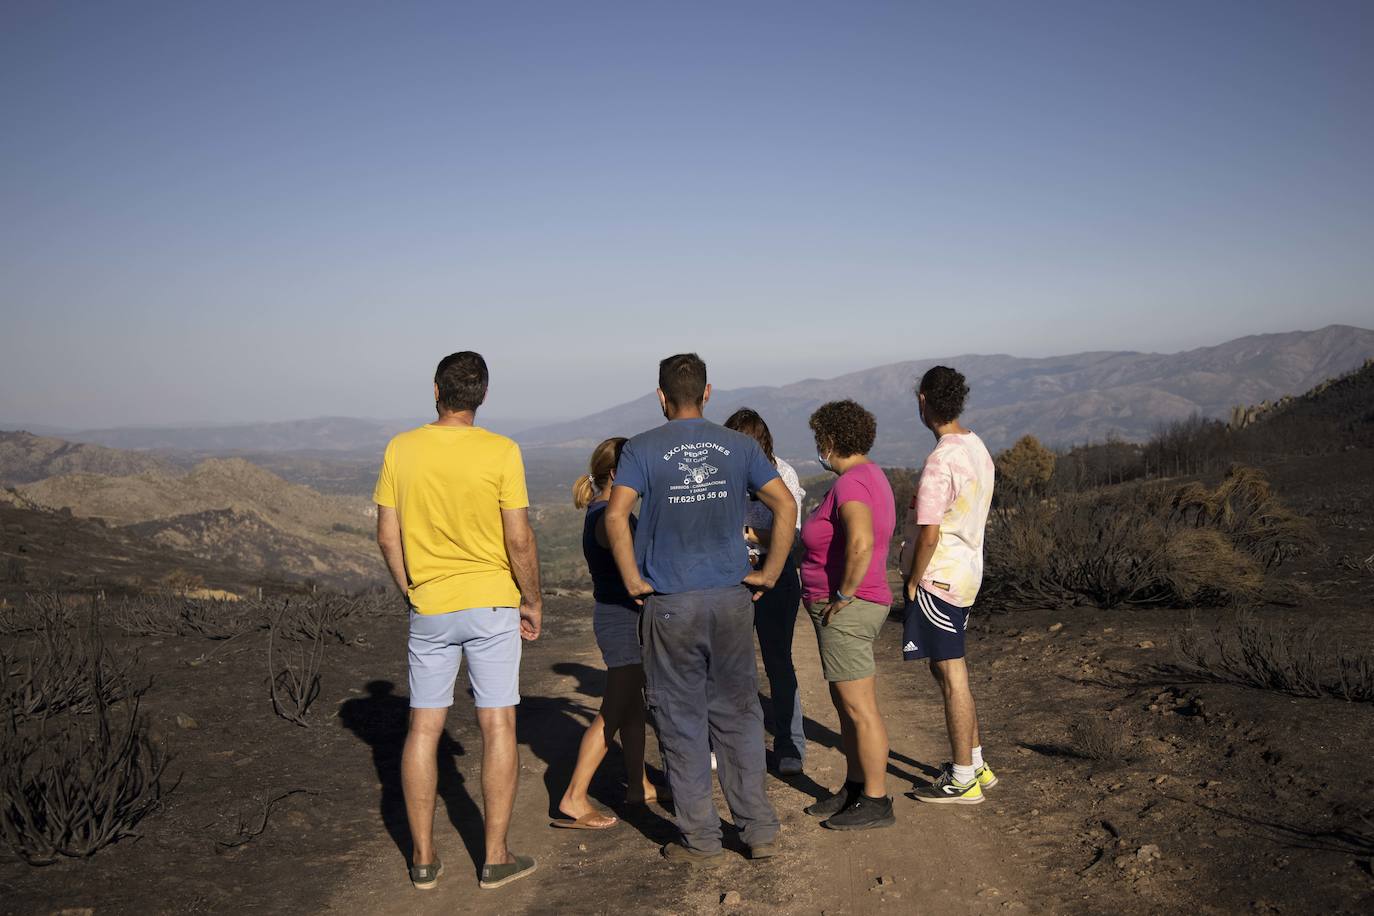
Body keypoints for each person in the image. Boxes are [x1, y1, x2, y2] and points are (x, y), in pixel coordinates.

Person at [604, 353, 798, 865]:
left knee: (680, 717)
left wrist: (631, 579)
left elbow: (617, 514)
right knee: (738, 712)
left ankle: (702, 841)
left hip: (670, 602)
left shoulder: (642, 449)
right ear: (708, 393)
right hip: (733, 598)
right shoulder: (739, 446)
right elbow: (787, 505)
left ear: (662, 396)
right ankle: (757, 830)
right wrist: (772, 572)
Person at [373, 351, 541, 890]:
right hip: (492, 602)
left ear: (435, 389)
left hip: (431, 605)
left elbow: (386, 535)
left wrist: (411, 589)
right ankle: (494, 858)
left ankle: (423, 860)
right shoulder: (501, 451)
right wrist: (531, 600)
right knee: (497, 724)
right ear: (483, 396)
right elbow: (518, 537)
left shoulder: (402, 448)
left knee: (424, 726)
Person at [553, 437, 665, 830]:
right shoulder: (607, 518)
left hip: (617, 617)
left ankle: (639, 784)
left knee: (631, 707)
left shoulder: (605, 512)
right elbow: (639, 570)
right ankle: (574, 797)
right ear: (617, 475)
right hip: (620, 621)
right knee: (613, 711)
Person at [799, 399, 897, 831]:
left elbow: (860, 542)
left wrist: (843, 594)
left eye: (820, 438)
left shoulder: (851, 485)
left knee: (860, 708)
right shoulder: (869, 476)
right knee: (846, 704)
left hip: (849, 608)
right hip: (850, 605)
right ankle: (855, 788)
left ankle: (876, 800)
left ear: (831, 440)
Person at [901, 365, 997, 806]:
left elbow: (929, 532)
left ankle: (962, 779)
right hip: (967, 573)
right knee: (950, 670)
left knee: (951, 673)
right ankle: (974, 763)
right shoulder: (977, 448)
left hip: (940, 577)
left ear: (924, 401)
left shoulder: (940, 460)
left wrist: (914, 577)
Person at [723, 408, 807, 777]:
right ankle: (737, 744)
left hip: (776, 576)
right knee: (732, 667)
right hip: (734, 578)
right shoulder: (724, 477)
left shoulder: (783, 475)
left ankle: (790, 744)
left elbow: (790, 538)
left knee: (778, 662)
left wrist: (744, 534)